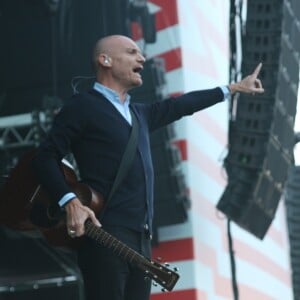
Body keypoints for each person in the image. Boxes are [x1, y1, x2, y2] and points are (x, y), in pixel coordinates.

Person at [31, 34, 264, 300]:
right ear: (105, 60)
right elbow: (45, 157)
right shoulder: (83, 105)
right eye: (132, 52)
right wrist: (70, 201)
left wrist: (233, 88)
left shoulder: (140, 114)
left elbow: (181, 105)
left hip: (141, 238)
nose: (141, 58)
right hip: (104, 231)